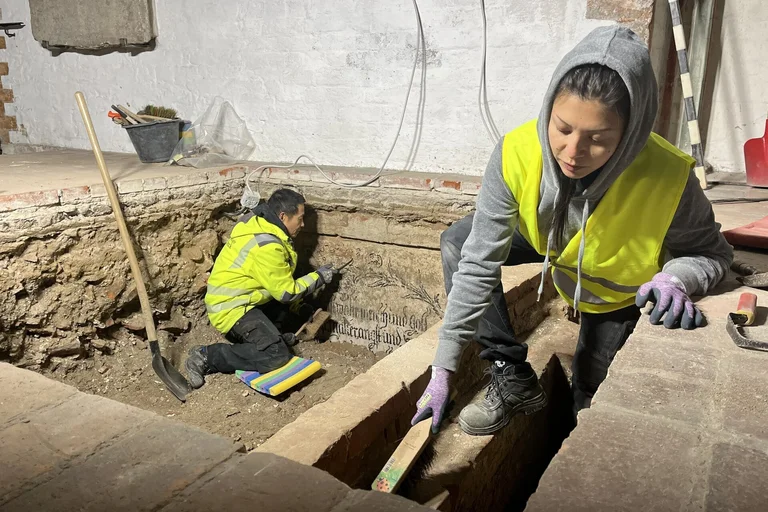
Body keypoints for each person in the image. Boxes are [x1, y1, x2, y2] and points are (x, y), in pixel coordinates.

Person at [412, 26, 733, 436]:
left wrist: (678, 276)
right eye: (562, 128)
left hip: (617, 292)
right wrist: (443, 367)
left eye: (597, 139)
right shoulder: (516, 153)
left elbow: (715, 254)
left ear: (631, 133)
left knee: (590, 383)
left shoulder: (668, 176)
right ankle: (511, 375)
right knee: (459, 241)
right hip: (548, 243)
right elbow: (477, 265)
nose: (573, 152)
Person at [185, 188, 337, 388]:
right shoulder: (267, 246)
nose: (303, 224)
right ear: (283, 216)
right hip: (232, 308)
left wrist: (298, 306)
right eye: (299, 219)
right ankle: (206, 356)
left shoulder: (260, 222)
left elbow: (274, 279)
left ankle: (271, 338)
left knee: (288, 312)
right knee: (276, 356)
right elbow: (286, 292)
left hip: (248, 297)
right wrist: (318, 278)